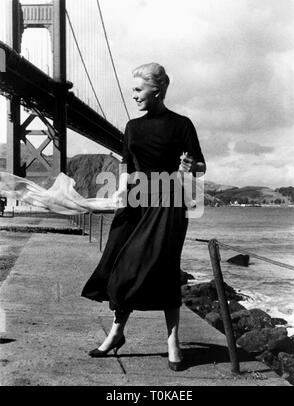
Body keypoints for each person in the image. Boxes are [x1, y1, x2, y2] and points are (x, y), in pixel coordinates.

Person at [81, 63, 206, 371]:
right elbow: (126, 165)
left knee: (163, 272)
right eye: (133, 89)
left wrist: (190, 167)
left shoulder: (182, 124)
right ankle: (117, 333)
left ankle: (172, 341)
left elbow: (201, 166)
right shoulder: (132, 127)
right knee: (120, 267)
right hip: (135, 204)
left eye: (138, 89)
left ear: (157, 91)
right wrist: (121, 190)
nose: (133, 95)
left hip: (169, 205)